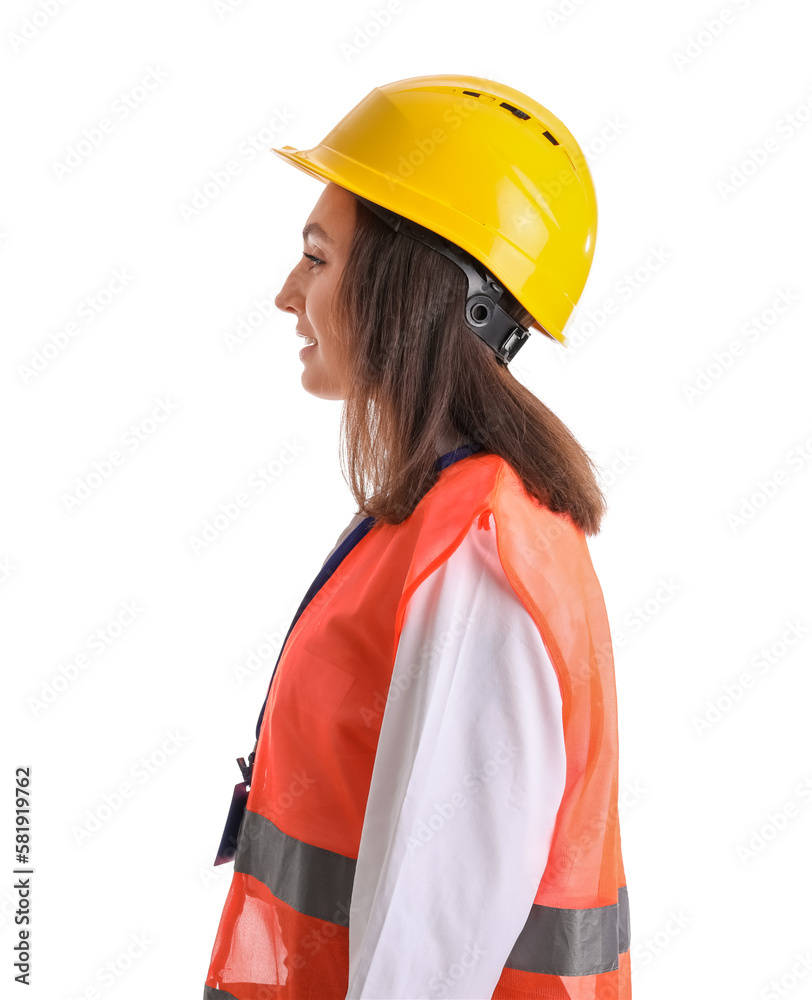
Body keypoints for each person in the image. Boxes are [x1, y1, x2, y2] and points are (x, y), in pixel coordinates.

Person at [203, 74, 631, 999]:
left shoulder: (478, 555)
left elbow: (424, 969)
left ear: (412, 284)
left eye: (317, 257)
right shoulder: (449, 514)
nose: (287, 294)